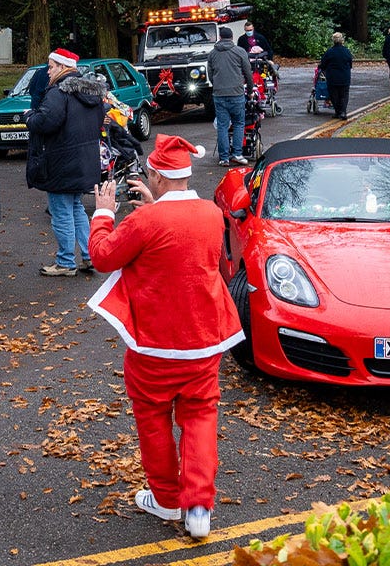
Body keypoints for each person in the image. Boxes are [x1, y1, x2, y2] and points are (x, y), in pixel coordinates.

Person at [86, 134, 244, 541]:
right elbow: (183, 239)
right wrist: (153, 211)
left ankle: (167, 499)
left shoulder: (146, 221)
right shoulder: (211, 213)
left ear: (156, 175)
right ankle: (198, 508)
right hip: (206, 338)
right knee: (200, 415)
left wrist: (104, 213)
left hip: (153, 343)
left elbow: (104, 256)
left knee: (153, 420)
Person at [25, 48, 106, 276]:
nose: (48, 72)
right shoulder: (92, 92)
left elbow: (45, 122)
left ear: (62, 67)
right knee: (77, 208)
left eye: (51, 66)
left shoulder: (58, 93)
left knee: (60, 211)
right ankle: (90, 255)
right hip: (84, 161)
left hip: (61, 162)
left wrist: (30, 117)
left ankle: (65, 262)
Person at [205, 27, 254, 167]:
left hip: (219, 94)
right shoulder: (239, 52)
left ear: (220, 37)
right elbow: (247, 72)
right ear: (232, 37)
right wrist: (249, 89)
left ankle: (224, 158)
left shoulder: (213, 54)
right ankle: (237, 154)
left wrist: (217, 86)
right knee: (239, 123)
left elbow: (210, 74)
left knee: (222, 126)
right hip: (236, 93)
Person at [319, 32, 354, 120]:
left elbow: (323, 64)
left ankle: (337, 111)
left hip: (332, 77)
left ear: (333, 41)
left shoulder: (329, 52)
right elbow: (350, 63)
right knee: (344, 95)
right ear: (342, 40)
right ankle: (343, 112)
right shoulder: (346, 51)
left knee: (334, 95)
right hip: (344, 76)